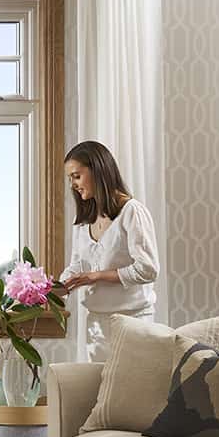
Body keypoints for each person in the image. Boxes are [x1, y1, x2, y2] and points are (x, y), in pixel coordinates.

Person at [59, 141, 159, 362]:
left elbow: (148, 269)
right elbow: (77, 266)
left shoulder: (132, 212)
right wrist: (53, 289)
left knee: (130, 394)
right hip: (96, 328)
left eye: (76, 176)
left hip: (133, 325)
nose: (73, 184)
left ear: (97, 169)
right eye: (70, 179)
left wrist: (96, 276)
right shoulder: (85, 221)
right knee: (99, 393)